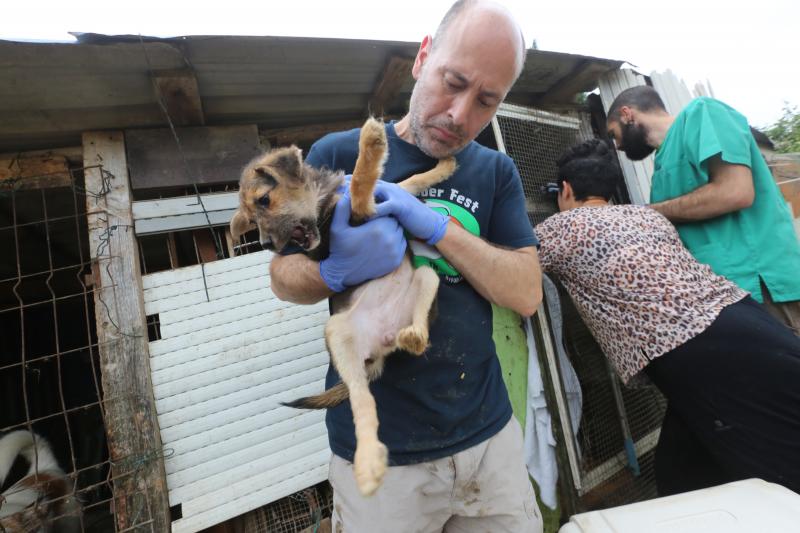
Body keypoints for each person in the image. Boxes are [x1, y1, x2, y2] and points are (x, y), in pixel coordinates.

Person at [269, 1, 544, 531]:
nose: (461, 114)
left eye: (487, 100)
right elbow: (283, 277)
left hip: (488, 437)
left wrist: (440, 230)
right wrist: (333, 272)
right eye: (453, 81)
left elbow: (527, 292)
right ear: (423, 57)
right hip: (382, 454)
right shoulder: (337, 153)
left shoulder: (495, 171)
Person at [535, 138, 800, 497]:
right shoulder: (648, 216)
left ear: (565, 189)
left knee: (777, 481)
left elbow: (511, 267)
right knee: (683, 474)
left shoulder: (559, 229)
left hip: (705, 355)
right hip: (749, 321)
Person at [605, 86, 800, 335]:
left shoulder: (703, 112)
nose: (617, 145)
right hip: (719, 301)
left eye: (614, 134)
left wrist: (648, 213)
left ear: (627, 114)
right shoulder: (661, 168)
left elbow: (735, 192)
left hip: (763, 288)